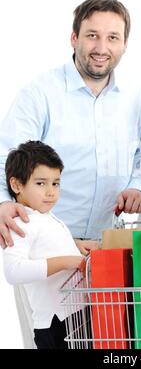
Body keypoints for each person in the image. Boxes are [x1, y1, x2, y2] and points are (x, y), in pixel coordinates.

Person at [0, 0, 141, 348]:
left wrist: (136, 184)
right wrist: (1, 203)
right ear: (74, 38)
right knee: (47, 340)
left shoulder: (138, 98)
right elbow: (6, 155)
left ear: (125, 44)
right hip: (42, 247)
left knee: (105, 341)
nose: (102, 48)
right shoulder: (41, 92)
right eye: (92, 36)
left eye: (113, 37)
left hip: (104, 246)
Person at [2, 141, 85, 349]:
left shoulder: (45, 216)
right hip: (55, 323)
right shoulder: (21, 222)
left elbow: (49, 245)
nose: (51, 192)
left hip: (75, 315)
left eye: (55, 183)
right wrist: (68, 261)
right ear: (17, 185)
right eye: (41, 183)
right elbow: (13, 271)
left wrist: (78, 247)